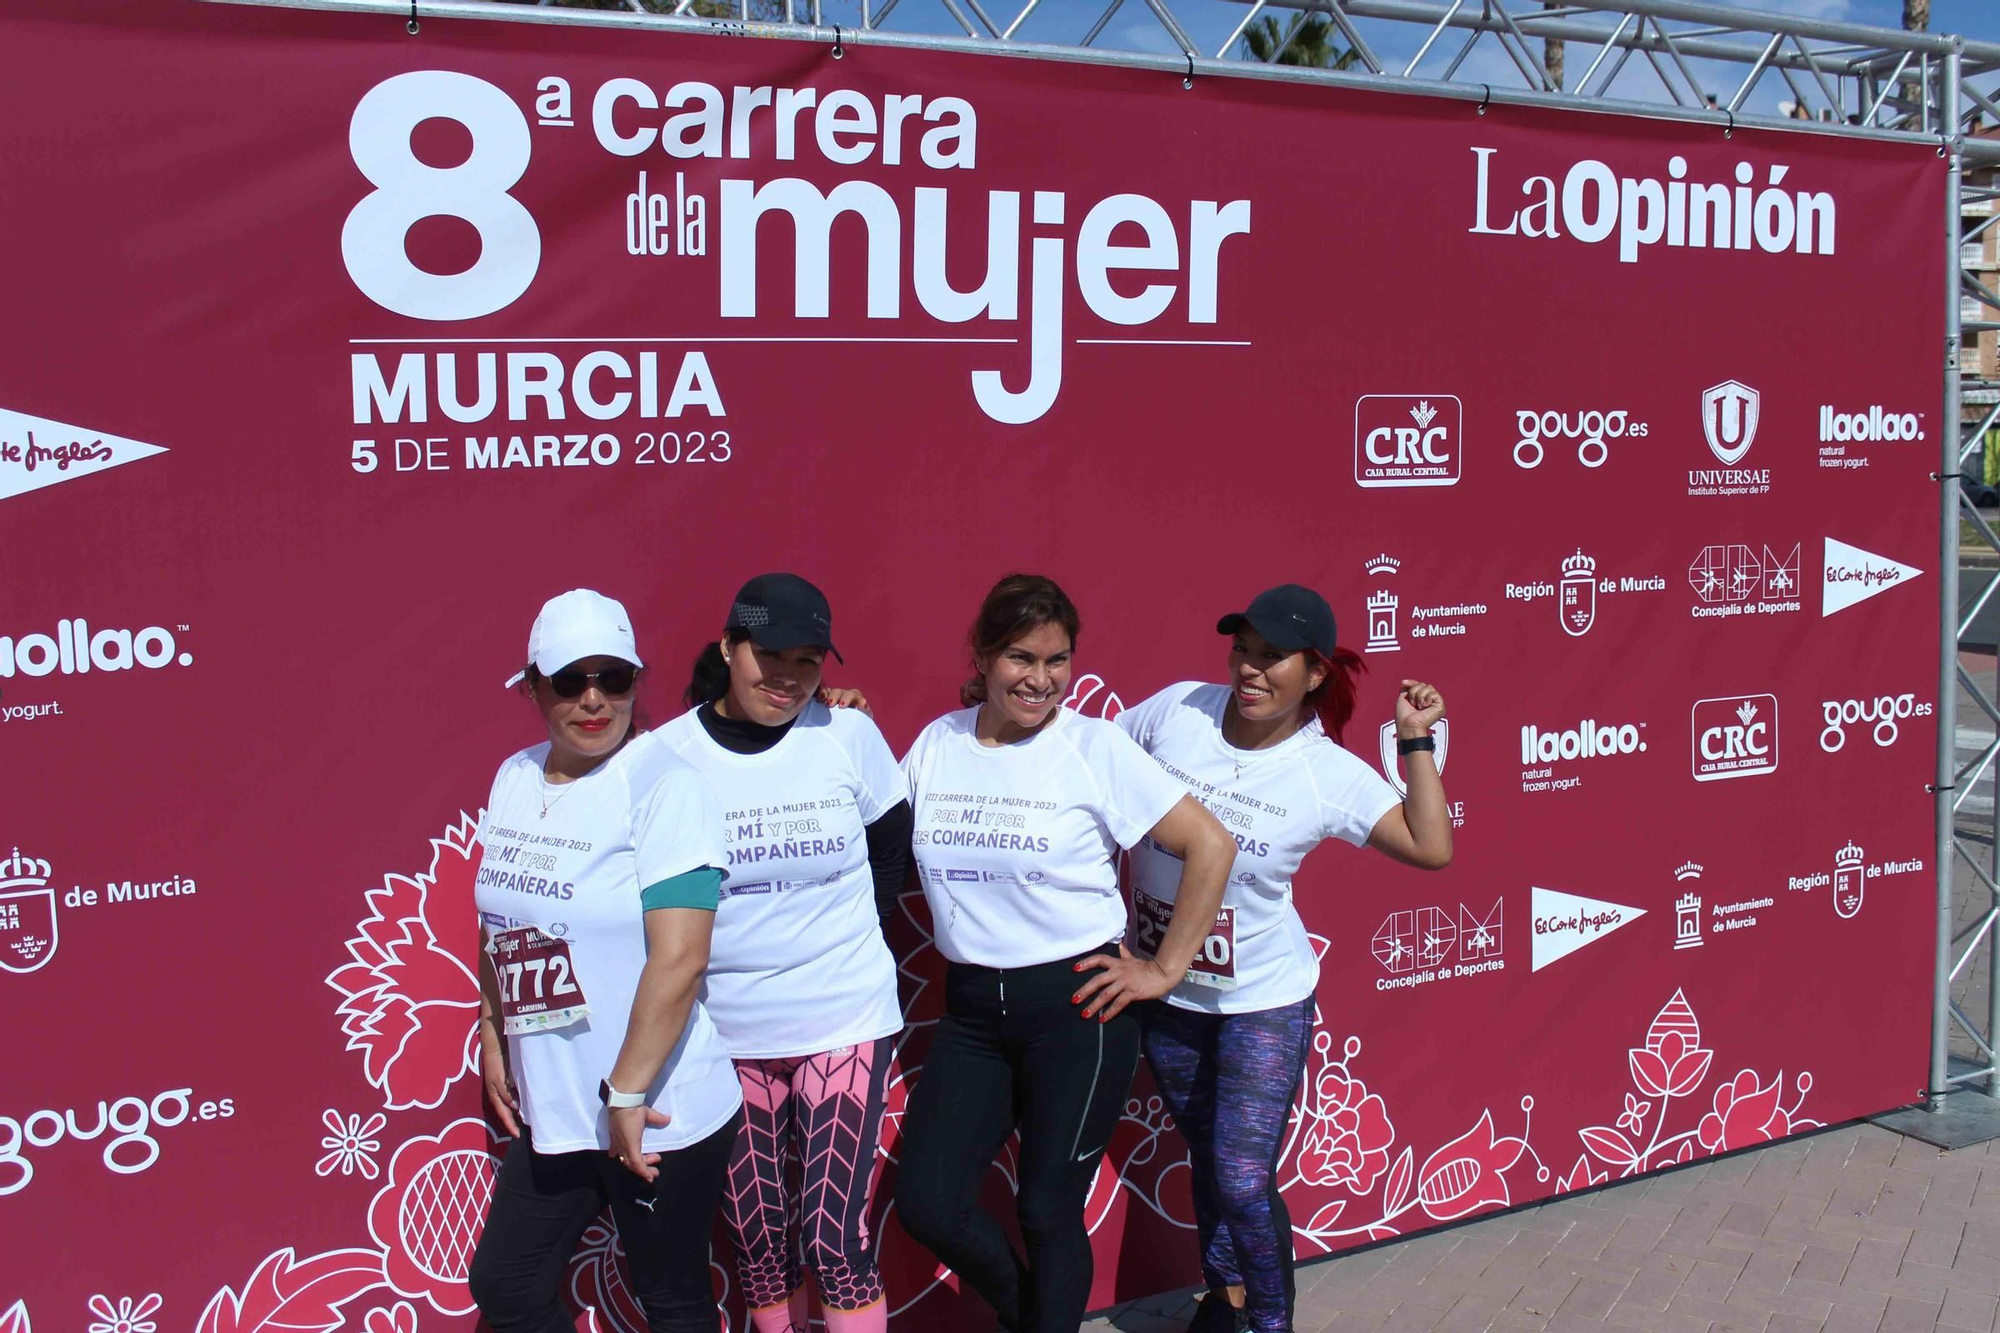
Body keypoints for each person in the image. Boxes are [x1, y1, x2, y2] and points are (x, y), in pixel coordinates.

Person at [894, 573, 1237, 1333]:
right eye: (1021, 657)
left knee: (1047, 1207)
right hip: (973, 1012)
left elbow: (1209, 843)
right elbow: (878, 835)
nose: (1041, 679)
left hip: (1078, 1007)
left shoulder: (1092, 745)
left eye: (1057, 660)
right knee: (928, 1202)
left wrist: (1163, 967)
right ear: (982, 656)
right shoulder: (936, 743)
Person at [1114, 584, 1453, 1333]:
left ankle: (1270, 1322)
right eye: (1243, 649)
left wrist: (1416, 742)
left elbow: (1432, 846)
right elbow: (1090, 756)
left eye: (1273, 657)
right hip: (1167, 997)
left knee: (1239, 1175)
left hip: (1261, 1003)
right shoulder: (1177, 710)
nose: (1249, 670)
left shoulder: (1322, 771)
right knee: (1208, 1157)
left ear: (1317, 671)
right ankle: (1225, 1298)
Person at [468, 588, 744, 1333]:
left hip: (654, 1106)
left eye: (613, 678)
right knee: (506, 1284)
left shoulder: (666, 786)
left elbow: (681, 958)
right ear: (532, 687)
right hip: (557, 1102)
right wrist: (494, 1025)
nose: (594, 699)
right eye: (570, 680)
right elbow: (503, 920)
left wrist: (625, 1094)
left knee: (673, 1302)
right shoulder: (515, 777)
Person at [658, 573, 913, 1333]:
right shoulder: (666, 757)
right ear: (729, 648)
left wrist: (841, 943)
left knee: (835, 1238)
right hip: (725, 1031)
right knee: (758, 1241)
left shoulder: (849, 734)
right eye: (770, 655)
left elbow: (889, 845)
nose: (789, 677)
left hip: (843, 1014)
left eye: (808, 660)